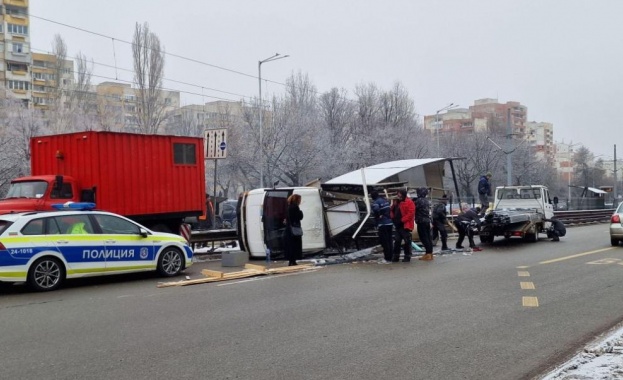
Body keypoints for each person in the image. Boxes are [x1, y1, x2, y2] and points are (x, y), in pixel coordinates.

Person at [391, 189, 415, 262]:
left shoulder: (409, 202)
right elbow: (392, 210)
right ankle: (396, 256)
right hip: (398, 225)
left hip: (405, 225)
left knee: (407, 241)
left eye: (399, 194)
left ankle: (407, 256)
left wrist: (402, 220)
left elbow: (411, 213)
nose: (398, 196)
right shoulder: (397, 202)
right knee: (397, 241)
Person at [371, 191, 393, 264]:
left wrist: (378, 216)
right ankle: (391, 257)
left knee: (385, 242)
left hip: (383, 224)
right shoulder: (385, 200)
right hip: (389, 223)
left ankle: (387, 259)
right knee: (390, 241)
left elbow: (376, 209)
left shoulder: (376, 202)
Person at [283, 194, 304, 266]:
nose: (300, 201)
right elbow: (299, 217)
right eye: (299, 199)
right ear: (297, 200)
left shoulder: (288, 207)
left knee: (290, 245)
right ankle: (293, 260)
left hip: (289, 229)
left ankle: (291, 261)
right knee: (295, 245)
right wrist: (301, 212)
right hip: (295, 229)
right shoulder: (295, 207)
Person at [415, 187, 434, 261]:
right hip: (427, 220)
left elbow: (414, 208)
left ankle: (428, 253)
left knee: (424, 237)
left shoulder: (419, 201)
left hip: (421, 221)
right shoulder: (426, 200)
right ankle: (430, 253)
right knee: (428, 237)